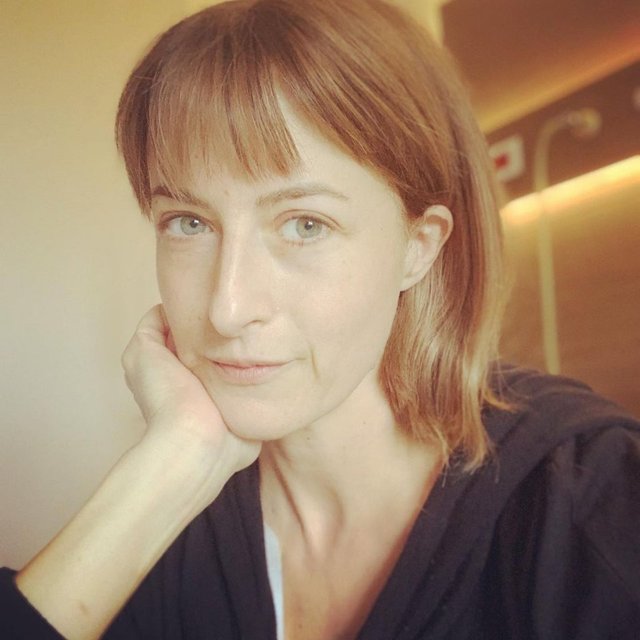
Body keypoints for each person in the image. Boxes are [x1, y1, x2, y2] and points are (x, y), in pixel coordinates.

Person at [1, 0, 639, 638]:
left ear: (417, 248)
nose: (227, 308)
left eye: (305, 224)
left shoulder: (588, 501)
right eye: (189, 222)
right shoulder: (173, 527)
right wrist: (170, 466)